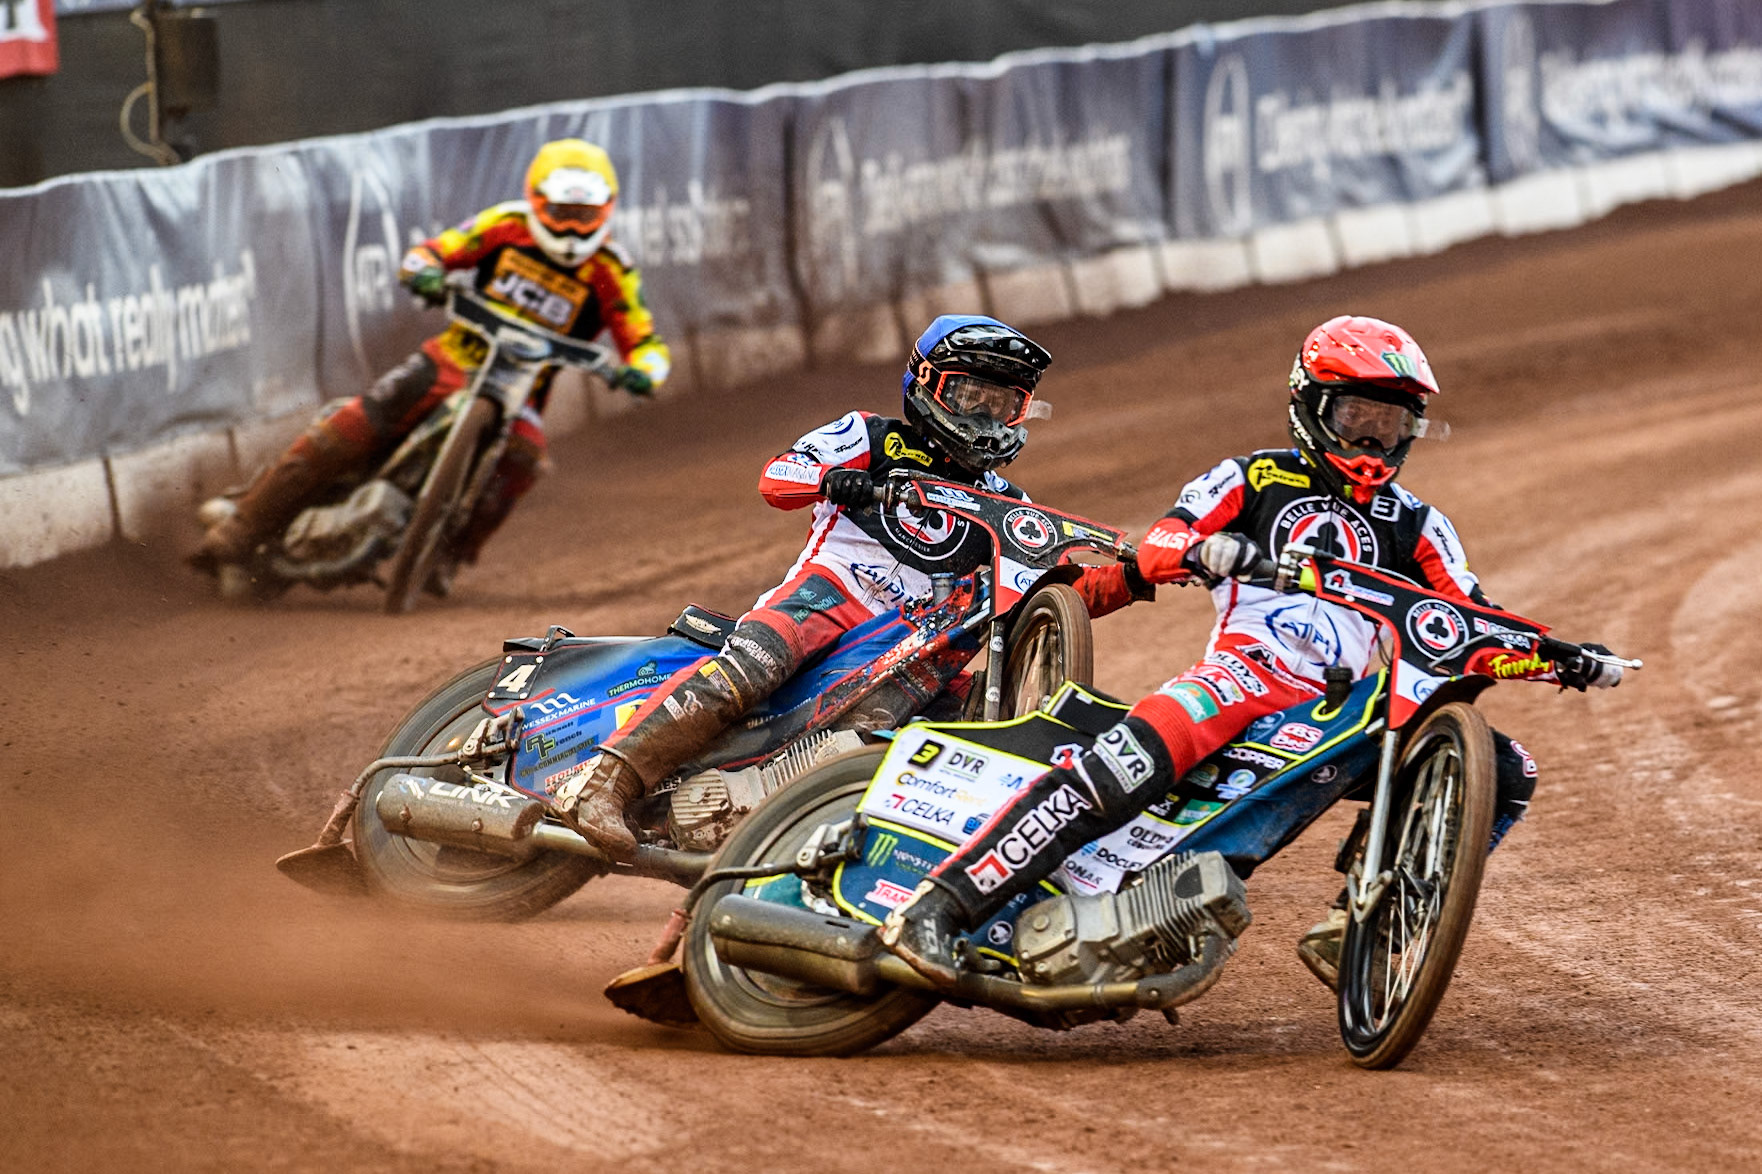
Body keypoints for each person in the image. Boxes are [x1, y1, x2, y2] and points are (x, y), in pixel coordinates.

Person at [878, 314, 1624, 991]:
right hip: (1237, 681)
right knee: (1112, 770)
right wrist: (1210, 550)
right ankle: (935, 910)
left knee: (1505, 768)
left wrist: (1561, 656)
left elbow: (1470, 622)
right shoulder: (1251, 478)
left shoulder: (1421, 527)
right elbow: (1165, 539)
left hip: (1340, 713)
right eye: (1355, 417)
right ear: (1312, 407)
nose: (1371, 441)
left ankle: (1363, 925)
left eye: (1390, 424)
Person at [551, 314, 1152, 858]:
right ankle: (607, 782)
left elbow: (1060, 589)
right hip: (829, 596)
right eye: (970, 395)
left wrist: (1137, 572)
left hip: (911, 642)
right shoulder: (871, 435)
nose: (984, 417)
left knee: (951, 729)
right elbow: (777, 477)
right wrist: (835, 479)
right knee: (755, 666)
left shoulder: (1009, 506)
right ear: (927, 384)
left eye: (1004, 404)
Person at [191, 138, 670, 591]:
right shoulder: (505, 226)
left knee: (525, 458)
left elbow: (643, 339)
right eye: (561, 213)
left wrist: (645, 371)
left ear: (606, 210)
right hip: (449, 362)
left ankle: (450, 553)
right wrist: (424, 273)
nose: (570, 228)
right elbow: (436, 251)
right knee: (353, 422)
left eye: (583, 216)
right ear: (537, 200)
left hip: (519, 394)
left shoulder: (613, 270)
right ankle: (243, 524)